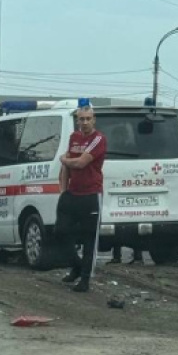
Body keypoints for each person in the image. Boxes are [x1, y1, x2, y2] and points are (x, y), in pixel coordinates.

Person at [56, 105, 107, 292]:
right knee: (60, 232)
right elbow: (68, 168)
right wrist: (63, 190)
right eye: (81, 119)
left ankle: (85, 279)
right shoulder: (74, 138)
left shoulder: (98, 139)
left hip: (91, 195)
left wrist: (64, 159)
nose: (84, 122)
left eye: (88, 118)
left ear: (94, 119)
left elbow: (80, 162)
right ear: (77, 120)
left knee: (89, 240)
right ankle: (75, 266)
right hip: (72, 193)